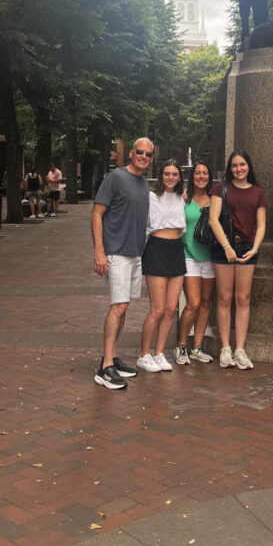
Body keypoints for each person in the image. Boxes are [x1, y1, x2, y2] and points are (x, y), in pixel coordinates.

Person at [91, 138, 153, 390]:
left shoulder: (142, 184)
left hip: (135, 253)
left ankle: (113, 357)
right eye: (140, 152)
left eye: (148, 154)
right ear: (131, 153)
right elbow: (97, 214)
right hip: (116, 252)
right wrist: (99, 252)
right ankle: (105, 367)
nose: (144, 156)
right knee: (118, 306)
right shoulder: (115, 178)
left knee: (124, 306)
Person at [209, 151, 266, 369]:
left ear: (248, 166)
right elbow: (213, 220)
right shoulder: (220, 188)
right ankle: (225, 348)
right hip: (224, 247)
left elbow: (261, 225)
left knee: (243, 299)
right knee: (224, 298)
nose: (238, 169)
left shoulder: (258, 192)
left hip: (247, 248)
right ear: (229, 168)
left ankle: (240, 349)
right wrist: (226, 247)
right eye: (234, 165)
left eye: (242, 164)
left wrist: (255, 248)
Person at [136, 160, 186, 373]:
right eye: (167, 173)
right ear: (161, 175)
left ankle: (159, 353)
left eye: (175, 174)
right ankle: (143, 354)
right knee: (156, 309)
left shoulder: (182, 197)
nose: (171, 177)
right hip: (157, 248)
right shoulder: (150, 197)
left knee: (171, 308)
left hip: (176, 249)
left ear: (179, 177)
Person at [176, 162, 216, 365]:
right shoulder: (185, 199)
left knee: (206, 303)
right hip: (189, 255)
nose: (201, 176)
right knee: (193, 302)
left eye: (205, 173)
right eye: (198, 173)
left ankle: (197, 347)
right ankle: (181, 345)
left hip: (210, 257)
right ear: (192, 176)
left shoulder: (215, 200)